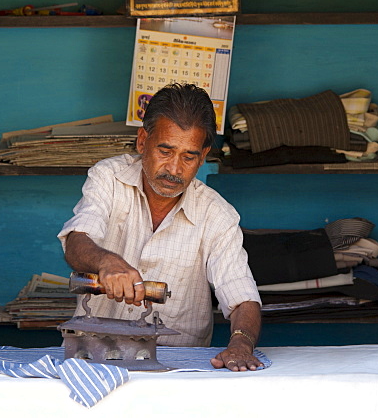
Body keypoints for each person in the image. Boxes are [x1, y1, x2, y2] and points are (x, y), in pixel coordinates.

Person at [58, 83, 263, 372]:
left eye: (189, 156)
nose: (175, 169)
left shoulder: (217, 215)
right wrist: (106, 262)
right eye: (165, 151)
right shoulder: (109, 179)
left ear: (202, 157)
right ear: (143, 141)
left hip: (176, 371)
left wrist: (241, 343)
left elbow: (243, 299)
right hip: (93, 361)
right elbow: (78, 239)